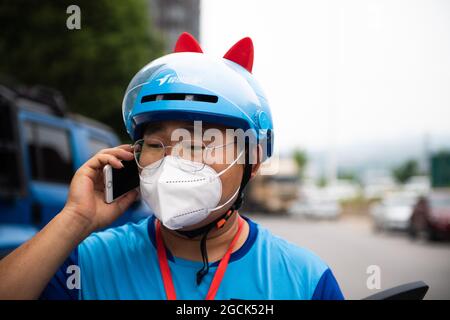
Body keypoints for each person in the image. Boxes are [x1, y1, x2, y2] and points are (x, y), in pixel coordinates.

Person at [0, 32, 344, 300]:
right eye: (153, 144)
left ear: (251, 162)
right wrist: (73, 221)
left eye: (196, 144)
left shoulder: (304, 280)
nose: (171, 160)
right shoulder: (89, 263)